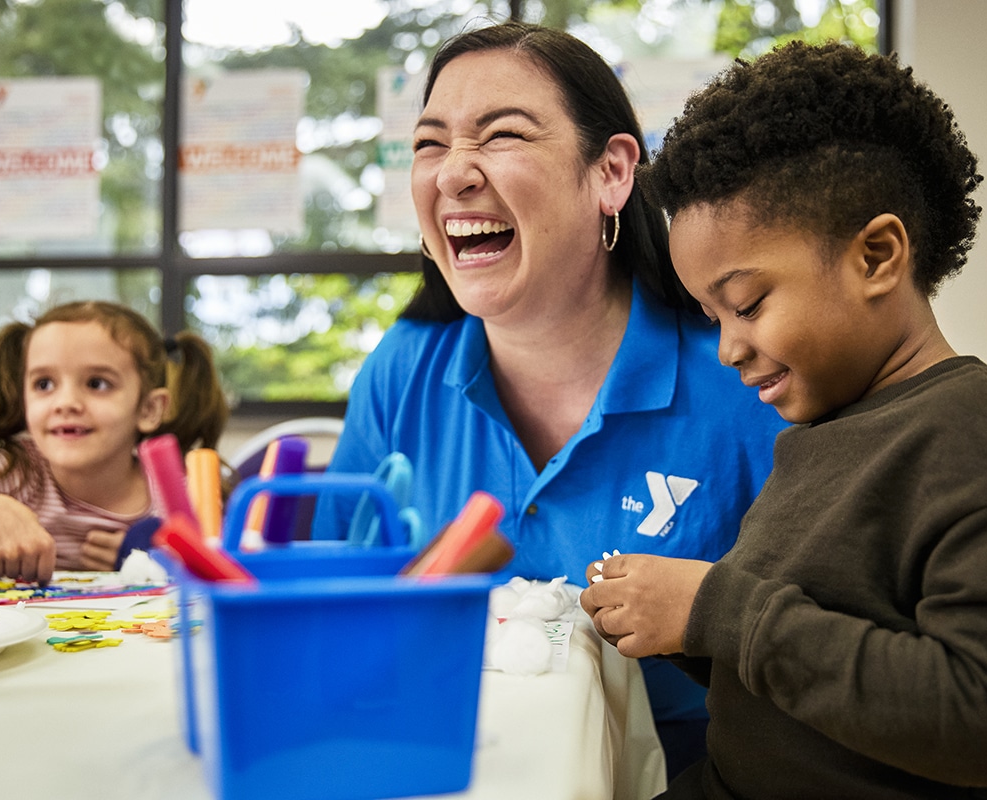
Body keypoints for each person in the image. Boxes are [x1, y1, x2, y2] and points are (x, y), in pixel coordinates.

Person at [580, 40, 987, 798]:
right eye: (711, 316)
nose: (727, 348)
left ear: (878, 256)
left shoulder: (977, 431)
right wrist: (682, 626)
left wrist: (718, 609)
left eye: (748, 304)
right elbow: (818, 658)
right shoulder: (820, 437)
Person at [310, 21, 786, 775]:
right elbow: (334, 601)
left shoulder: (742, 378)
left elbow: (816, 652)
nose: (453, 175)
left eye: (501, 135)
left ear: (612, 174)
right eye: (430, 143)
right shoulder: (402, 370)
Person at [0, 300, 229, 583]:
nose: (66, 403)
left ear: (149, 409)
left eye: (97, 383)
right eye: (44, 384)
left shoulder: (181, 493)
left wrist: (148, 556)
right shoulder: (7, 474)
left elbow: (223, 577)